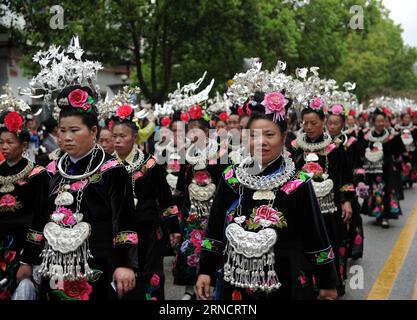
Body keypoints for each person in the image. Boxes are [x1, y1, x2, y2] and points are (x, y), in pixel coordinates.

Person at [17, 46, 139, 299]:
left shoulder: (112, 170)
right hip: (53, 265)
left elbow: (124, 220)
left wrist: (125, 264)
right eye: (63, 130)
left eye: (75, 130)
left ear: (94, 131)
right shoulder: (49, 169)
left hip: (97, 263)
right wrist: (27, 260)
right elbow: (38, 219)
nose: (67, 137)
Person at [196, 91, 339, 300]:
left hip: (286, 279)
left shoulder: (298, 182)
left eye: (269, 135)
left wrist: (327, 282)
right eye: (254, 135)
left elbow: (315, 234)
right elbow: (215, 228)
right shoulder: (230, 178)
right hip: (236, 280)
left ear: (283, 136)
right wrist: (205, 270)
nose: (261, 142)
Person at [110, 103, 180, 300]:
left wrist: (173, 227)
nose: (117, 141)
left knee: (150, 276)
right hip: (117, 230)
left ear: (135, 137)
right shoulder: (106, 166)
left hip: (148, 230)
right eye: (114, 136)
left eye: (122, 136)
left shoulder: (150, 164)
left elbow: (165, 197)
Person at [288, 98, 354, 296]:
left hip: (328, 206)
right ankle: (304, 285)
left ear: (323, 121)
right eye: (305, 123)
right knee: (303, 245)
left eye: (313, 123)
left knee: (328, 243)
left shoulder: (335, 146)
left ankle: (329, 285)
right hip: (301, 206)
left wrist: (347, 201)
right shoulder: (295, 146)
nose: (308, 127)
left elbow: (345, 175)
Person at [173, 113, 226, 300]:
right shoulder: (185, 155)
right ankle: (189, 288)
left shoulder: (220, 153)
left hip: (214, 210)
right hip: (192, 211)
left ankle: (212, 285)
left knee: (212, 246)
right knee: (189, 248)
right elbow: (180, 188)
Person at [0, 108, 50, 300]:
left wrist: (28, 259)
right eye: (1, 142)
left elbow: (40, 217)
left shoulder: (37, 174)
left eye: (10, 142)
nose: (4, 147)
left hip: (25, 248)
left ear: (24, 145)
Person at [356, 108, 406, 229]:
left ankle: (385, 216)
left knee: (386, 190)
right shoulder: (366, 135)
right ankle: (377, 212)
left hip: (386, 169)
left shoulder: (392, 135)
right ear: (373, 122)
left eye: (383, 121)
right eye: (378, 121)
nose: (381, 123)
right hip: (371, 168)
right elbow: (359, 152)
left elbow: (399, 151)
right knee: (374, 190)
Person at [326, 105, 364, 260]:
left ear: (342, 124)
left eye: (336, 123)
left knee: (352, 214)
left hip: (349, 184)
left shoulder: (351, 142)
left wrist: (360, 183)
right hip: (330, 185)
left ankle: (353, 248)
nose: (332, 126)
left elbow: (357, 164)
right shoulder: (322, 144)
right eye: (330, 123)